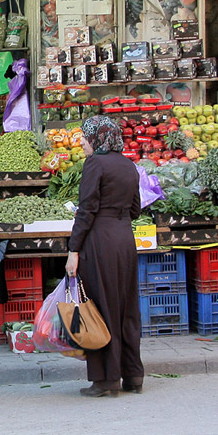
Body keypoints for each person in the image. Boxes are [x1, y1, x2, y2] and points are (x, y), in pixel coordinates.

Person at [64, 115, 144, 398]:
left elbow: (86, 210)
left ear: (97, 138)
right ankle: (133, 374)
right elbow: (136, 209)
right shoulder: (128, 165)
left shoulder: (95, 164)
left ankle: (106, 379)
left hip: (100, 241)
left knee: (102, 307)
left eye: (85, 137)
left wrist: (73, 249)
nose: (83, 143)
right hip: (124, 239)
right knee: (126, 307)